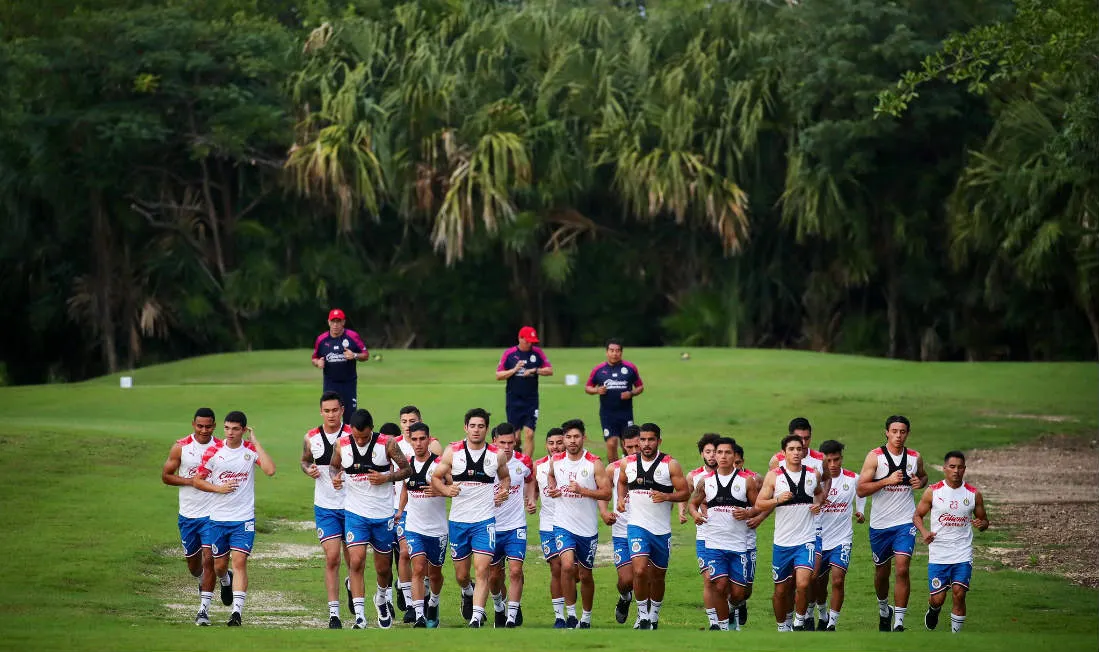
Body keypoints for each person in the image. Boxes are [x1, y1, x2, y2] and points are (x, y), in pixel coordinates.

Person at [192, 411, 276, 627]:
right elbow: (197, 481)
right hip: (218, 518)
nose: (230, 433)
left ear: (244, 430)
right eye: (227, 428)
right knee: (219, 565)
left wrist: (256, 443)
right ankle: (224, 580)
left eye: (235, 429)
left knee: (240, 561)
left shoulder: (250, 450)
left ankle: (236, 613)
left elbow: (270, 470)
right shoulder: (213, 451)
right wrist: (218, 488)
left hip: (243, 519)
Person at [329, 409, 412, 630]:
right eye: (356, 436)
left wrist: (387, 477)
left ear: (372, 429)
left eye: (364, 437)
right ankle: (359, 616)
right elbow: (334, 466)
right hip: (355, 513)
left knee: (383, 568)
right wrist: (335, 478)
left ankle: (382, 598)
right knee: (355, 562)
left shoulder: (387, 444)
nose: (360, 440)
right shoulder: (342, 444)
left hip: (382, 514)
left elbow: (407, 469)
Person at [430, 408, 511, 628]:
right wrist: (447, 491)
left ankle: (477, 616)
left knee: (483, 569)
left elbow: (505, 478)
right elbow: (436, 478)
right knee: (462, 575)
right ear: (466, 427)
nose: (476, 430)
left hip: (485, 521)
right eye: (472, 426)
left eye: (481, 426)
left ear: (486, 429)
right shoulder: (452, 452)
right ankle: (467, 591)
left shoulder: (497, 454)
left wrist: (502, 491)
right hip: (458, 522)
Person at [856, 415, 927, 632]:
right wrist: (887, 480)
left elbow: (924, 477)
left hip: (905, 522)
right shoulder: (875, 457)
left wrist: (920, 482)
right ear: (886, 432)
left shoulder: (914, 457)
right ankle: (883, 608)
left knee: (903, 568)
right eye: (894, 431)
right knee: (881, 572)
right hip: (880, 524)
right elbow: (861, 489)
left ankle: (899, 622)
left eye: (902, 432)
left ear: (907, 433)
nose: (898, 435)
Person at [618, 423, 690, 630]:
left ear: (659, 441)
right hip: (636, 527)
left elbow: (684, 492)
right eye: (643, 440)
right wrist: (621, 500)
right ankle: (642, 617)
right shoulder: (628, 463)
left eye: (651, 440)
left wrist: (667, 496)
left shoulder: (670, 465)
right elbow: (622, 482)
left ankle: (654, 615)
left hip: (661, 531)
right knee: (639, 571)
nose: (646, 444)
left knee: (658, 577)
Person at [160, 407, 224, 626]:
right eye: (200, 426)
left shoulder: (221, 448)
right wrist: (193, 482)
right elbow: (166, 476)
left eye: (208, 426)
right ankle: (213, 580)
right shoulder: (181, 447)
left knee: (209, 559)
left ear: (214, 426)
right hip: (187, 514)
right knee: (194, 566)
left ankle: (203, 610)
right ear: (193, 424)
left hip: (212, 514)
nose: (204, 430)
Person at [754, 434, 824, 632]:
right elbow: (759, 503)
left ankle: (799, 623)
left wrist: (817, 504)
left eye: (799, 449)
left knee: (803, 583)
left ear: (803, 452)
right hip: (783, 542)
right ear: (783, 453)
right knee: (781, 591)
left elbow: (819, 492)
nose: (796, 452)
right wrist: (777, 500)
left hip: (806, 539)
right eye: (791, 449)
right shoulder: (774, 476)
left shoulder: (813, 474)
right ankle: (781, 628)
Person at [546, 418, 612, 628]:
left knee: (585, 575)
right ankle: (571, 615)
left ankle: (586, 617)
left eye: (576, 436)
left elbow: (607, 493)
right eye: (568, 437)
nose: (572, 441)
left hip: (587, 528)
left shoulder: (594, 462)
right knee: (566, 566)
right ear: (563, 439)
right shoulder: (556, 460)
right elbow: (550, 476)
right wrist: (552, 488)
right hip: (562, 524)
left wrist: (583, 491)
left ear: (583, 438)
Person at [914, 451, 989, 633]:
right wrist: (924, 532)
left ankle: (956, 639)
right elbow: (917, 516)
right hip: (939, 553)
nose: (956, 471)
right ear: (945, 468)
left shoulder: (973, 494)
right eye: (952, 467)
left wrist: (982, 524)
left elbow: (984, 521)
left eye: (960, 467)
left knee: (959, 593)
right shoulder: (933, 491)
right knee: (938, 599)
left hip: (962, 552)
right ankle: (934, 610)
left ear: (964, 469)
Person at [689, 437, 758, 631]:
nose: (723, 456)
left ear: (734, 455)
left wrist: (747, 513)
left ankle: (731, 609)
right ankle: (722, 628)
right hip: (713, 544)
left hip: (738, 544)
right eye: (719, 452)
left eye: (728, 453)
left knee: (738, 593)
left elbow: (758, 507)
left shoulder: (746, 482)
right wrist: (695, 515)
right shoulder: (706, 482)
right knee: (718, 585)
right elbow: (693, 504)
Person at [300, 392, 353, 628]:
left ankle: (353, 585)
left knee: (355, 560)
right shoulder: (311, 437)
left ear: (342, 409)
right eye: (327, 411)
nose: (331, 415)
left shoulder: (354, 435)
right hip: (325, 507)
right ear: (321, 412)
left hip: (353, 505)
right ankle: (334, 614)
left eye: (335, 410)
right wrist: (308, 469)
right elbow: (304, 460)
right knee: (332, 557)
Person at [392, 407, 443, 623]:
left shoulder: (437, 455)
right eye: (404, 421)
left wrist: (441, 489)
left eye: (412, 420)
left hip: (435, 523)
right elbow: (402, 484)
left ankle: (432, 600)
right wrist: (400, 510)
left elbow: (448, 482)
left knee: (434, 572)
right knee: (412, 561)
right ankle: (416, 610)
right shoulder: (400, 454)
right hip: (408, 517)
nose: (418, 442)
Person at [814, 439, 866, 631]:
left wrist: (860, 511)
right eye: (829, 461)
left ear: (842, 458)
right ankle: (822, 614)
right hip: (818, 539)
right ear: (822, 460)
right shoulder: (814, 480)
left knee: (838, 579)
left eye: (837, 460)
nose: (833, 465)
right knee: (818, 584)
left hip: (842, 539)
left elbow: (861, 494)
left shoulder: (853, 478)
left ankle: (832, 624)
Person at [488, 423, 536, 627]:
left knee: (516, 570)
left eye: (511, 442)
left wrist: (531, 498)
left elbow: (530, 479)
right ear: (494, 442)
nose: (507, 447)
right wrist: (491, 500)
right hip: (490, 526)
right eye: (502, 443)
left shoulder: (523, 461)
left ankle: (512, 616)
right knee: (494, 575)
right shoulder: (485, 462)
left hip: (516, 525)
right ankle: (500, 606)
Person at [600, 425, 641, 626]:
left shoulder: (656, 467)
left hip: (647, 530)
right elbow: (604, 493)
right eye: (630, 447)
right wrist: (604, 511)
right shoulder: (613, 469)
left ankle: (645, 617)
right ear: (623, 446)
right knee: (626, 580)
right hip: (622, 531)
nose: (634, 451)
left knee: (643, 575)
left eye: (637, 446)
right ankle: (625, 598)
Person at [681, 433, 720, 628]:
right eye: (708, 452)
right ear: (702, 454)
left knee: (727, 584)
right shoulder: (694, 476)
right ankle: (713, 622)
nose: (712, 455)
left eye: (715, 451)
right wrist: (684, 512)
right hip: (704, 535)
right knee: (709, 579)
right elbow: (685, 496)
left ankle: (734, 610)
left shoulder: (732, 476)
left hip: (729, 536)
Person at [496, 326, 554, 456]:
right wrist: (514, 370)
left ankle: (527, 465)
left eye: (532, 341)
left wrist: (535, 370)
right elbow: (498, 375)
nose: (530, 344)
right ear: (520, 338)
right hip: (513, 400)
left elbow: (550, 370)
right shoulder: (509, 354)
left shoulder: (537, 352)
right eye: (527, 340)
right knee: (515, 438)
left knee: (529, 433)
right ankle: (517, 459)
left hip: (531, 400)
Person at [585, 339, 644, 462]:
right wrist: (597, 390)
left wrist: (631, 393)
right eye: (611, 350)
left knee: (627, 445)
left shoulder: (630, 368)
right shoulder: (599, 370)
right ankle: (614, 473)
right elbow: (587, 387)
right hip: (607, 414)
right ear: (607, 352)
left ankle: (631, 470)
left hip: (626, 413)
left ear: (621, 352)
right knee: (611, 443)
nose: (614, 353)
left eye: (617, 351)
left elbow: (640, 387)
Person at [311, 308, 369, 423]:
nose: (335, 325)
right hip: (330, 384)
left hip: (349, 383)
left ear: (343, 322)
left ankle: (349, 441)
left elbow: (366, 355)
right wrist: (318, 363)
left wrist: (355, 355)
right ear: (329, 322)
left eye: (338, 321)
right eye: (333, 322)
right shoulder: (322, 340)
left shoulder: (352, 336)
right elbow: (314, 357)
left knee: (350, 417)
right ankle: (332, 440)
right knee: (331, 417)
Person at [533, 427, 567, 624]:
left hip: (573, 523)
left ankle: (571, 610)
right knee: (556, 568)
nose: (555, 447)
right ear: (546, 444)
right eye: (551, 443)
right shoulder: (538, 466)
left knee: (573, 572)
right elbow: (533, 489)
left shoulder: (572, 465)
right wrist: (531, 500)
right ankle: (560, 616)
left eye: (559, 442)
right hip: (548, 524)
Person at [729, 443, 763, 627]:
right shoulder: (717, 479)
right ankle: (729, 622)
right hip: (725, 540)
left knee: (745, 589)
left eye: (738, 462)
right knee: (726, 584)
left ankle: (741, 602)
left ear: (743, 460)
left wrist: (756, 517)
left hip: (747, 540)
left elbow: (766, 504)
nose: (734, 466)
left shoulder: (754, 479)